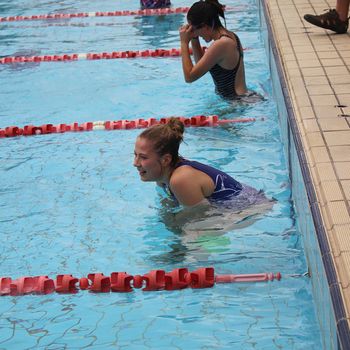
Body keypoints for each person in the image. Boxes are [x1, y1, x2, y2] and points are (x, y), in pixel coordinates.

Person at [133, 118, 270, 209]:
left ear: (166, 160)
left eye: (143, 157)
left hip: (251, 208)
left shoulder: (180, 179)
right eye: (135, 155)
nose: (135, 163)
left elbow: (202, 217)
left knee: (190, 242)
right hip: (238, 202)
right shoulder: (162, 175)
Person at [178, 0, 250, 100]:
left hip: (238, 103)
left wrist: (183, 43)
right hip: (241, 100)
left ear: (206, 27)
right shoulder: (231, 36)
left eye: (194, 30)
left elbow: (189, 77)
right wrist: (194, 38)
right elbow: (201, 67)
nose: (196, 33)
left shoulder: (221, 44)